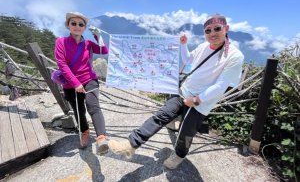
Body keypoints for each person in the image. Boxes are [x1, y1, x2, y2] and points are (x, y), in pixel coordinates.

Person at [108, 14, 244, 169]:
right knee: (161, 115)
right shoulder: (203, 46)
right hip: (184, 91)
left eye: (217, 29)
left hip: (201, 102)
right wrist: (184, 45)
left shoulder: (235, 56)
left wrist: (196, 100)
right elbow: (188, 60)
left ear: (226, 29)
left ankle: (179, 154)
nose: (212, 33)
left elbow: (221, 86)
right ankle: (130, 144)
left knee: (187, 132)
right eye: (208, 30)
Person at [54, 11, 109, 154]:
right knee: (79, 110)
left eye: (81, 24)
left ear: (84, 28)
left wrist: (98, 36)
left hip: (89, 79)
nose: (77, 26)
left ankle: (101, 138)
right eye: (74, 23)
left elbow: (104, 51)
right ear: (68, 25)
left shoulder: (89, 44)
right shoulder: (61, 42)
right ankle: (84, 132)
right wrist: (76, 84)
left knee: (93, 106)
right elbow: (62, 65)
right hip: (70, 83)